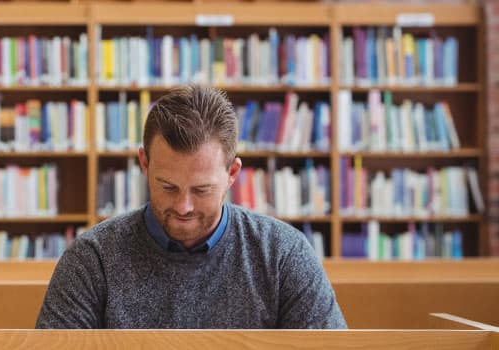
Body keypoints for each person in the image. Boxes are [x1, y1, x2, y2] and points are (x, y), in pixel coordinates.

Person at [36, 85, 346, 329]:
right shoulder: (93, 259)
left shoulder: (283, 255)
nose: (183, 206)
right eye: (168, 186)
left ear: (232, 174)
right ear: (144, 163)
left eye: (201, 189)